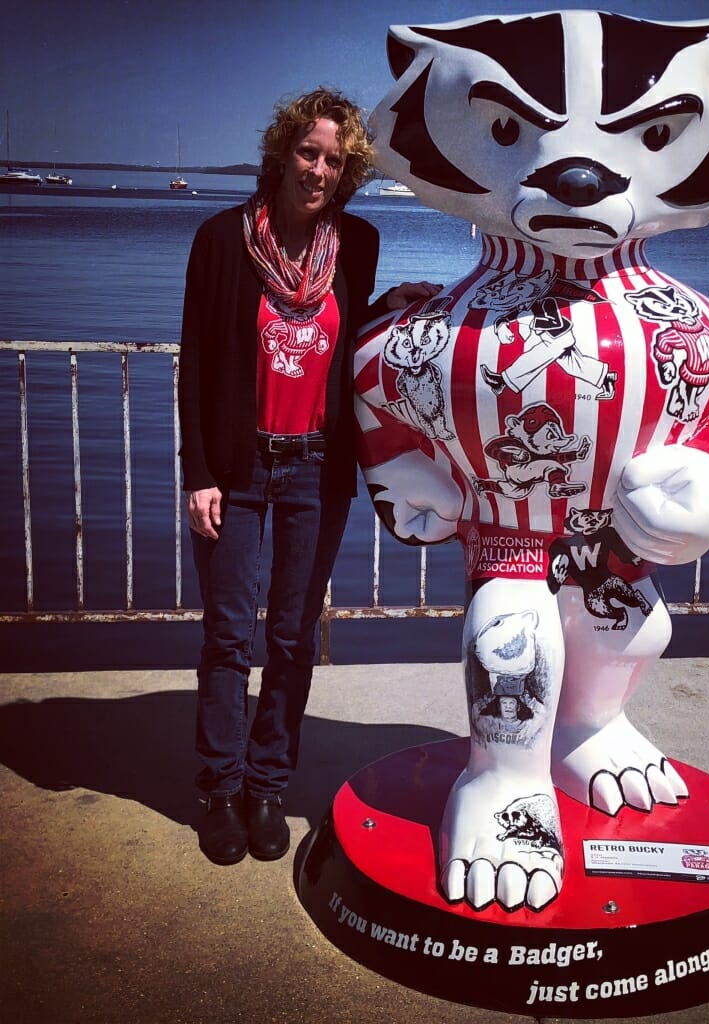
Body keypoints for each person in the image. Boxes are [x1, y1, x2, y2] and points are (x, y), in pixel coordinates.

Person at [178, 87, 438, 865]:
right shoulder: (222, 240)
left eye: (334, 159)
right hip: (238, 468)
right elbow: (195, 367)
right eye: (307, 152)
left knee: (291, 638)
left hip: (315, 473)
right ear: (282, 151)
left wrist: (400, 305)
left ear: (347, 172)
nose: (318, 169)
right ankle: (219, 792)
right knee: (229, 635)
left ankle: (268, 789)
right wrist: (201, 473)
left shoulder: (355, 243)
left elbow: (349, 333)